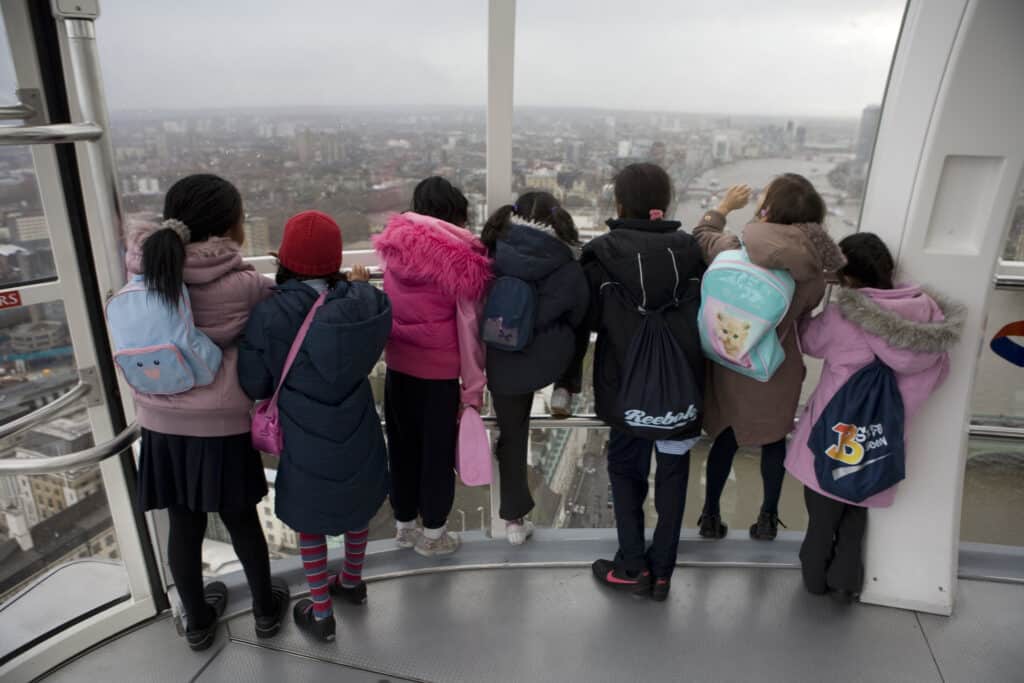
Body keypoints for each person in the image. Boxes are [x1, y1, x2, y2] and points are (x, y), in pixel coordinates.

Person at [128, 174, 288, 651]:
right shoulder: (241, 284)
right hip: (220, 423)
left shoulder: (144, 272)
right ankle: (264, 610)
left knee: (184, 524)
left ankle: (196, 620)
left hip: (160, 420)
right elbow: (281, 308)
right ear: (229, 227)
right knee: (240, 520)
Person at [238, 210, 392, 641]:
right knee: (357, 505)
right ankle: (353, 583)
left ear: (283, 258)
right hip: (358, 418)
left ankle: (321, 613)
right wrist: (356, 285)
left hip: (304, 430)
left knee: (311, 521)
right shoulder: (363, 303)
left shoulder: (270, 314)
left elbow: (255, 381)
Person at [785, 233, 963, 603]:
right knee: (854, 520)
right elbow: (939, 375)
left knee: (821, 519)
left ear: (845, 278)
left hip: (834, 439)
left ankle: (815, 581)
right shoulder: (929, 317)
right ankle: (847, 582)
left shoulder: (844, 317)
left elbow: (808, 340)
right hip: (879, 445)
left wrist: (806, 305)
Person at [693, 173, 846, 541]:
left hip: (729, 356)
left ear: (767, 209)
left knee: (725, 440)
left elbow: (700, 236)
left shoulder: (735, 246)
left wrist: (723, 208)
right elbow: (805, 315)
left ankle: (710, 516)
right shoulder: (814, 272)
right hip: (775, 366)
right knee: (774, 441)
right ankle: (766, 518)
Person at [585, 163, 706, 601]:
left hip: (626, 386)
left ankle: (631, 564)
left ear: (619, 204)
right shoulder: (694, 252)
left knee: (625, 469)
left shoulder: (600, 254)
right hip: (682, 386)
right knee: (673, 475)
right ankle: (663, 572)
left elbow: (589, 318)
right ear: (665, 204)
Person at [373, 177, 491, 556]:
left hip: (397, 367)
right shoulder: (460, 261)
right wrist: (472, 390)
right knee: (436, 458)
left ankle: (405, 525)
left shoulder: (395, 249)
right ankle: (434, 534)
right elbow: (469, 329)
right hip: (439, 376)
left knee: (402, 449)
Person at [480, 192, 589, 544]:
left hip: (502, 356)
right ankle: (566, 386)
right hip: (548, 356)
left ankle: (513, 519)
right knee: (578, 329)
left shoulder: (491, 250)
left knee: (512, 436)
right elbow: (577, 313)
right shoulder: (567, 263)